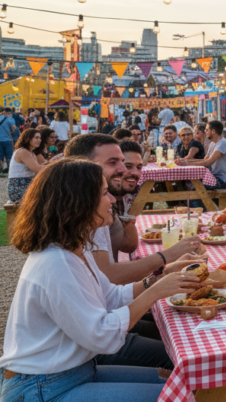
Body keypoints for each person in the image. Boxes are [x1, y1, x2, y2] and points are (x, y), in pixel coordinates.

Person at [0, 159, 202, 400]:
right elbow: (102, 335)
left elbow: (110, 296)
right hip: (41, 387)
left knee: (175, 385)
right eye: (105, 193)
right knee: (174, 397)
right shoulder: (55, 263)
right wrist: (155, 293)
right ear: (78, 203)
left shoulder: (74, 248)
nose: (113, 200)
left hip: (71, 372)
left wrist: (160, 277)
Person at [65, 134, 203, 285]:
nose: (124, 170)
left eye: (126, 164)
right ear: (84, 167)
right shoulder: (87, 214)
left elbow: (128, 245)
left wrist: (162, 272)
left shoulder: (105, 205)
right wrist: (165, 256)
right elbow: (106, 278)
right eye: (113, 163)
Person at [113, 140, 143, 261]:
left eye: (139, 167)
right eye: (128, 166)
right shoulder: (100, 202)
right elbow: (129, 244)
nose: (136, 173)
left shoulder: (128, 193)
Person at [179, 120, 226, 189]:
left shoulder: (222, 143)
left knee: (196, 187)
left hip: (225, 181)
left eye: (207, 130)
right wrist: (185, 162)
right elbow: (204, 160)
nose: (205, 132)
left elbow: (208, 162)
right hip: (216, 178)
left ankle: (192, 200)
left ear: (213, 131)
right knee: (189, 183)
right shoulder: (213, 143)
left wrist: (186, 163)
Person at [8, 129, 45, 204]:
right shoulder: (23, 152)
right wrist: (56, 166)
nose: (39, 140)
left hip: (27, 184)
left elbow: (40, 166)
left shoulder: (31, 153)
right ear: (28, 138)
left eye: (40, 138)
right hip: (19, 187)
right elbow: (38, 169)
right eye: (36, 138)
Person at [0, 108, 15, 174]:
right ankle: (9, 170)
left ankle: (1, 170)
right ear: (9, 113)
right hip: (8, 140)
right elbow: (14, 127)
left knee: (0, 156)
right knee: (9, 155)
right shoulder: (11, 119)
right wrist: (10, 132)